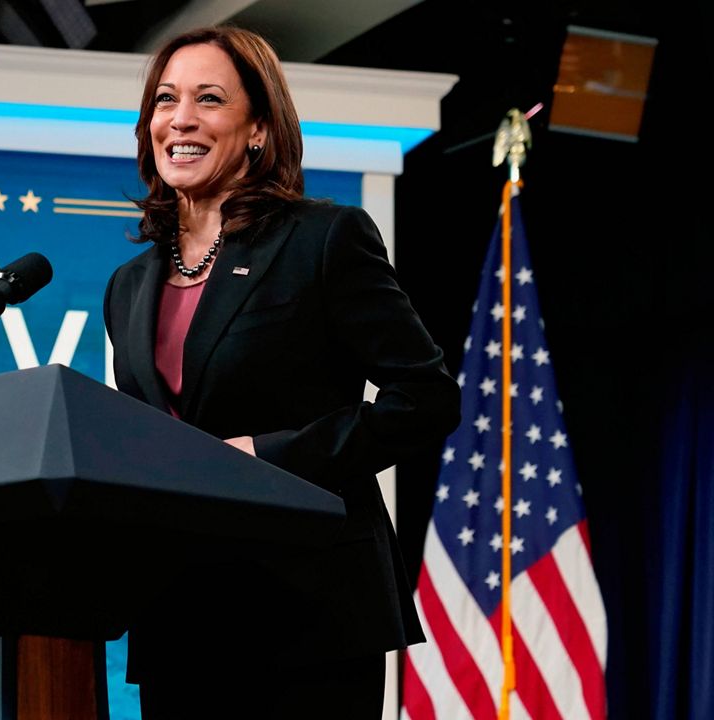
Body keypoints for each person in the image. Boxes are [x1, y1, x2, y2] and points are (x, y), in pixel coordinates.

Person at [102, 26, 461, 718]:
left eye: (209, 100)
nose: (180, 119)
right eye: (165, 100)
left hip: (309, 614)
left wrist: (263, 457)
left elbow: (425, 398)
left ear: (259, 129)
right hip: (180, 617)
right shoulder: (130, 284)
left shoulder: (323, 240)